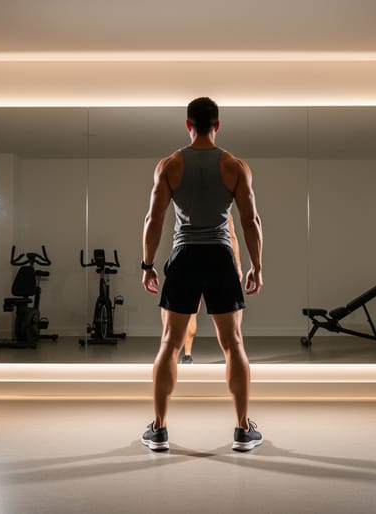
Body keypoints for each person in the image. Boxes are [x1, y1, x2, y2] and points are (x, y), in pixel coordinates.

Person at [141, 97, 264, 452]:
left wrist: (147, 265)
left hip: (184, 257)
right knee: (234, 345)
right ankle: (243, 430)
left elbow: (154, 219)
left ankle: (159, 430)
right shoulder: (234, 166)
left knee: (169, 343)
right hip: (221, 258)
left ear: (187, 125)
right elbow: (250, 221)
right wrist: (256, 265)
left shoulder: (170, 164)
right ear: (218, 125)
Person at [179, 215, 243, 364]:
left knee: (192, 311)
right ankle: (188, 355)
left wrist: (238, 266)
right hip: (211, 257)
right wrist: (238, 266)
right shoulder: (221, 209)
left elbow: (232, 236)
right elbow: (233, 236)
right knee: (192, 311)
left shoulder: (188, 206)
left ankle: (188, 356)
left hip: (194, 256)